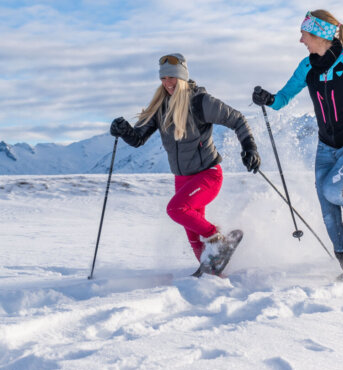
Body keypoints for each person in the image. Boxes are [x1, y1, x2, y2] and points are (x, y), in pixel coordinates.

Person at [251, 9, 343, 277]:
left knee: (333, 190)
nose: (301, 41)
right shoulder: (306, 67)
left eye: (304, 34)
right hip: (326, 148)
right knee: (328, 213)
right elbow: (282, 99)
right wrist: (267, 99)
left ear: (320, 35)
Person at [111, 53, 260, 272]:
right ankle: (211, 268)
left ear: (181, 77)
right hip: (182, 179)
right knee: (192, 235)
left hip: (207, 175)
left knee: (176, 209)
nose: (167, 83)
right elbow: (138, 139)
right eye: (163, 79)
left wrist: (250, 148)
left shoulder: (200, 101)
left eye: (171, 78)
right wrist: (123, 131)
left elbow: (237, 119)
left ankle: (219, 242)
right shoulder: (161, 106)